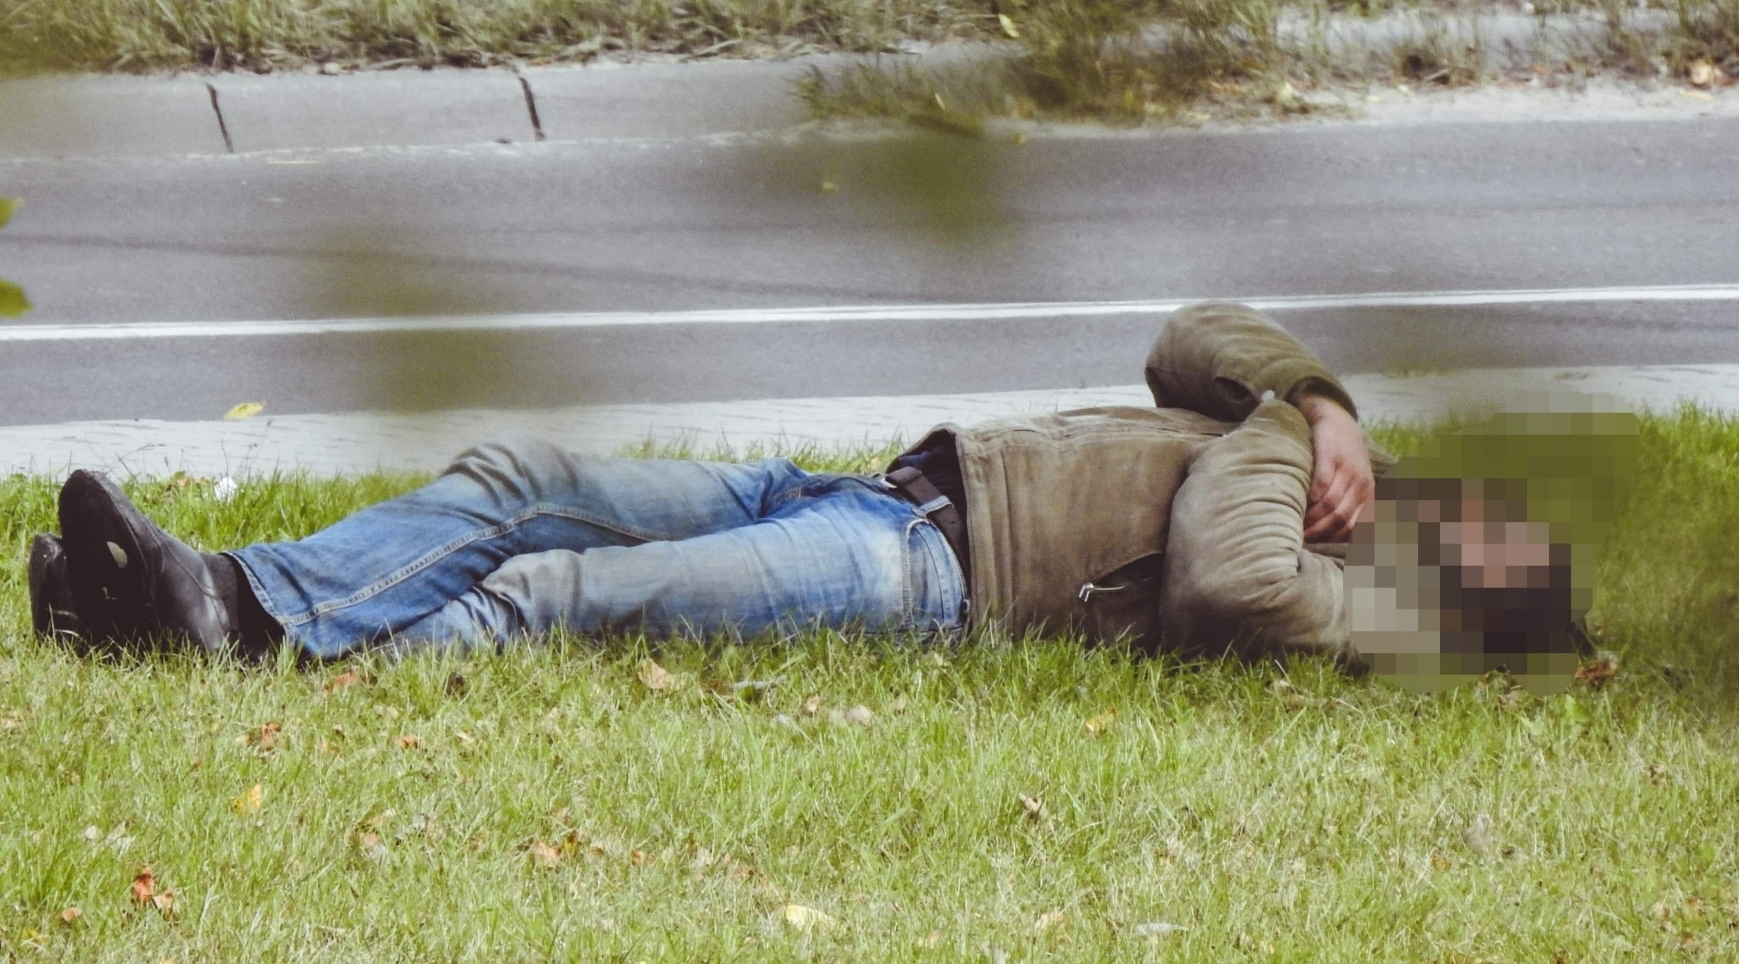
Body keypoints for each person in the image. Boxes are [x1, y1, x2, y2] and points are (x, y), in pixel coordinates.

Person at [27, 303, 1578, 679]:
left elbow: (1222, 577)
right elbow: (1189, 335)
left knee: (549, 598)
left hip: (921, 576)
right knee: (516, 476)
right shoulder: (1303, 443)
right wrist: (1318, 394)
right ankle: (226, 593)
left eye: (1485, 534)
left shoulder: (1313, 568)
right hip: (871, 488)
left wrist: (1282, 442)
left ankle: (233, 643)